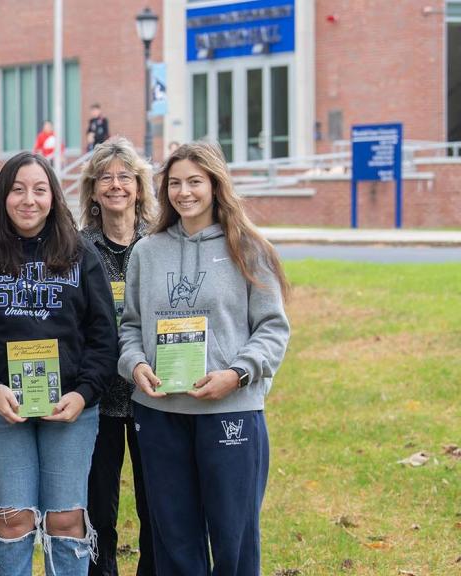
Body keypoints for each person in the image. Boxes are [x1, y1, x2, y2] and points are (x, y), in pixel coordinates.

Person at [118, 140, 290, 575]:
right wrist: (135, 364)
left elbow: (272, 329)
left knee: (234, 537)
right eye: (174, 183)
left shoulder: (248, 248)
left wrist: (236, 374)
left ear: (215, 184)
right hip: (160, 412)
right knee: (173, 537)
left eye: (195, 181)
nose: (184, 192)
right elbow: (131, 326)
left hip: (229, 408)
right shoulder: (146, 252)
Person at [0, 152, 118, 575]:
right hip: (1, 408)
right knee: (12, 518)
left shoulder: (80, 254)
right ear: (2, 196)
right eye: (18, 189)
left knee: (65, 518)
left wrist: (84, 393)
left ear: (54, 197)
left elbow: (103, 334)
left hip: (71, 408)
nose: (29, 200)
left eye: (40, 190)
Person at [77, 137, 159, 576]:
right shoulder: (75, 247)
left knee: (155, 501)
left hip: (154, 394)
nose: (115, 185)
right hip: (96, 396)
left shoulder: (161, 244)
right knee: (98, 505)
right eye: (105, 178)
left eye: (125, 177)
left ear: (140, 188)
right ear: (92, 190)